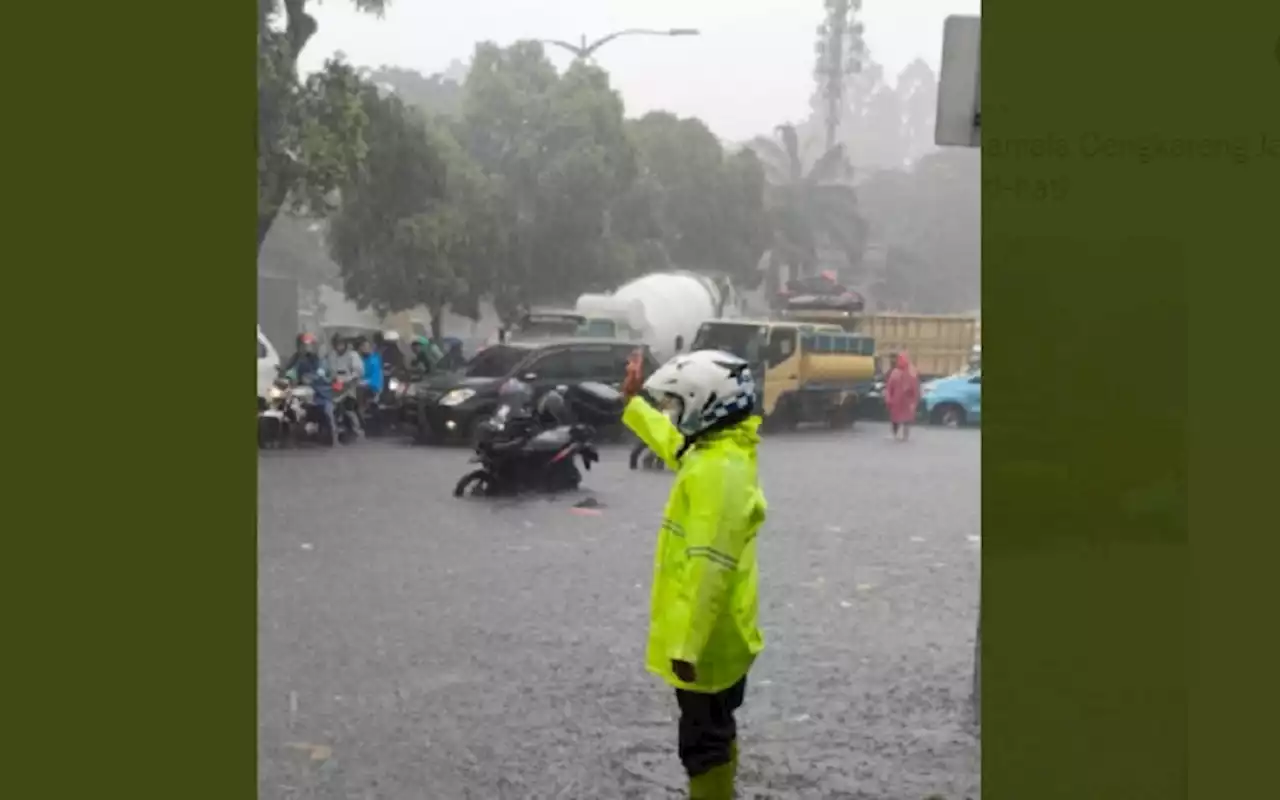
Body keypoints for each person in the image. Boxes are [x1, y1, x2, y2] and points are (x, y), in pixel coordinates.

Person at [620, 348, 767, 800]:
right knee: (715, 730)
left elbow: (709, 565)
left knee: (702, 743)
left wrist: (686, 645)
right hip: (720, 637)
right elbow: (675, 445)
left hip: (706, 644)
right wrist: (636, 404)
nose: (675, 415)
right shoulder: (719, 452)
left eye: (679, 404)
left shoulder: (717, 472)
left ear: (706, 403)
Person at [325, 334, 365, 438]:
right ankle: (334, 429)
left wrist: (347, 379)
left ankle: (357, 430)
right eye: (336, 344)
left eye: (341, 344)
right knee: (330, 406)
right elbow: (328, 371)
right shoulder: (331, 355)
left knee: (349, 408)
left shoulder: (352, 355)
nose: (339, 346)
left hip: (350, 386)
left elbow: (358, 372)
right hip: (335, 386)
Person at [883, 352, 920, 441]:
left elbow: (889, 387)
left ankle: (898, 434)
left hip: (902, 400)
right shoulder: (909, 372)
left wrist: (888, 398)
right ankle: (904, 435)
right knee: (902, 418)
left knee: (900, 417)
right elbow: (890, 387)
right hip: (902, 400)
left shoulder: (900, 372)